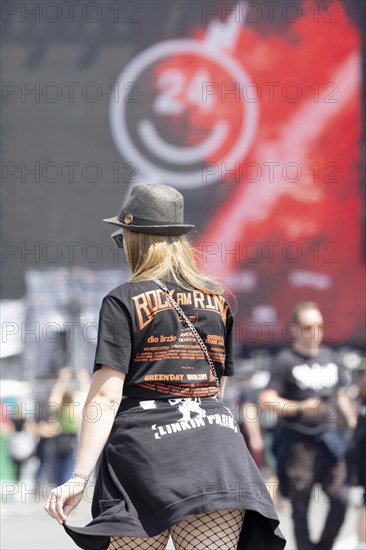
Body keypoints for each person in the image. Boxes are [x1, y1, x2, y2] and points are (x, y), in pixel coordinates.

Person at [45, 183, 285, 550]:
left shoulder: (123, 299)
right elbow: (214, 389)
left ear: (136, 239)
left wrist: (78, 476)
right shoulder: (215, 299)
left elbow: (107, 395)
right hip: (216, 455)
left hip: (144, 456)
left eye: (122, 238)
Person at [259, 301, 356, 550]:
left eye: (320, 325)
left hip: (328, 440)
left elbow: (341, 396)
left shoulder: (331, 357)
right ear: (295, 329)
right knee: (300, 506)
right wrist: (299, 407)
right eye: (308, 326)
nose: (315, 331)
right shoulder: (285, 360)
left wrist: (352, 421)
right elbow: (267, 399)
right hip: (297, 445)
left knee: (342, 498)